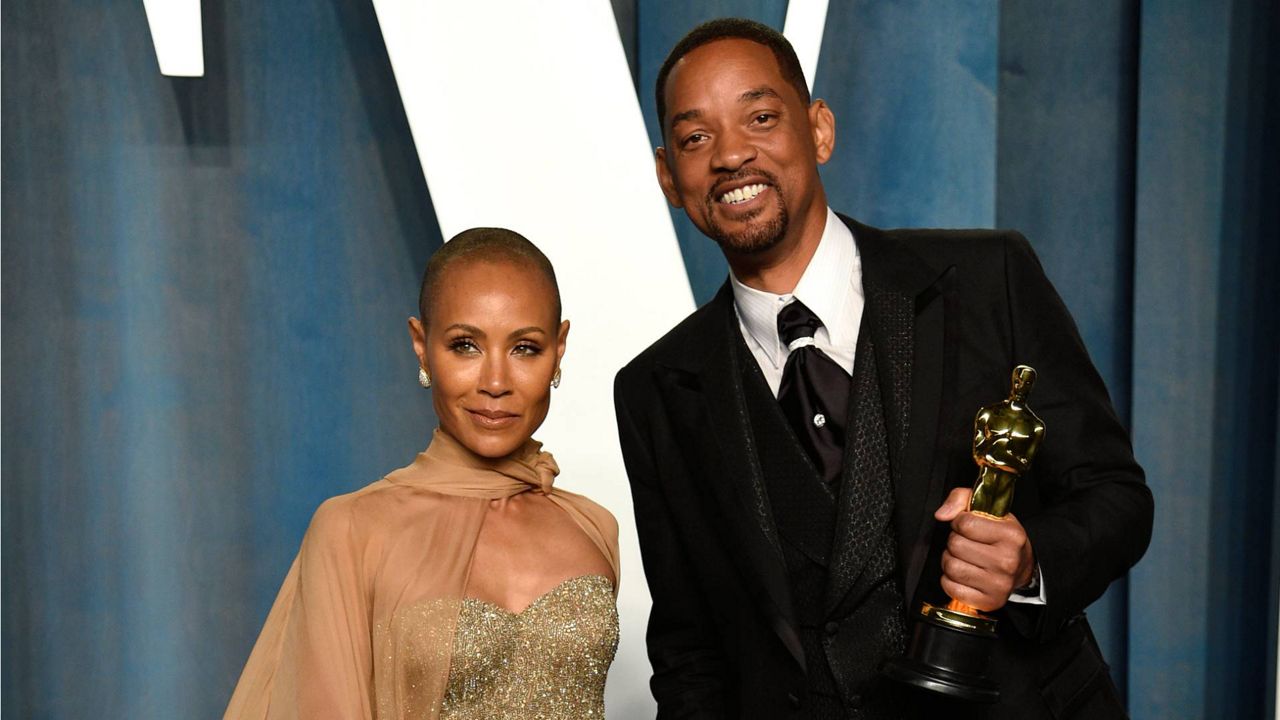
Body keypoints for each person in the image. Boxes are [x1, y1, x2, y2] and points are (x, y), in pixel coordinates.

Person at [613, 18, 1153, 719]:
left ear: (820, 130)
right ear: (668, 176)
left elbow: (1116, 498)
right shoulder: (656, 389)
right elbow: (690, 651)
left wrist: (1027, 563)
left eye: (761, 117)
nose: (731, 155)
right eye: (696, 138)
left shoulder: (989, 279)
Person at [226, 228, 620, 720]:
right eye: (465, 346)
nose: (495, 383)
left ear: (559, 349)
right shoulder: (351, 529)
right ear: (421, 345)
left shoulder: (594, 527)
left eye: (524, 348)